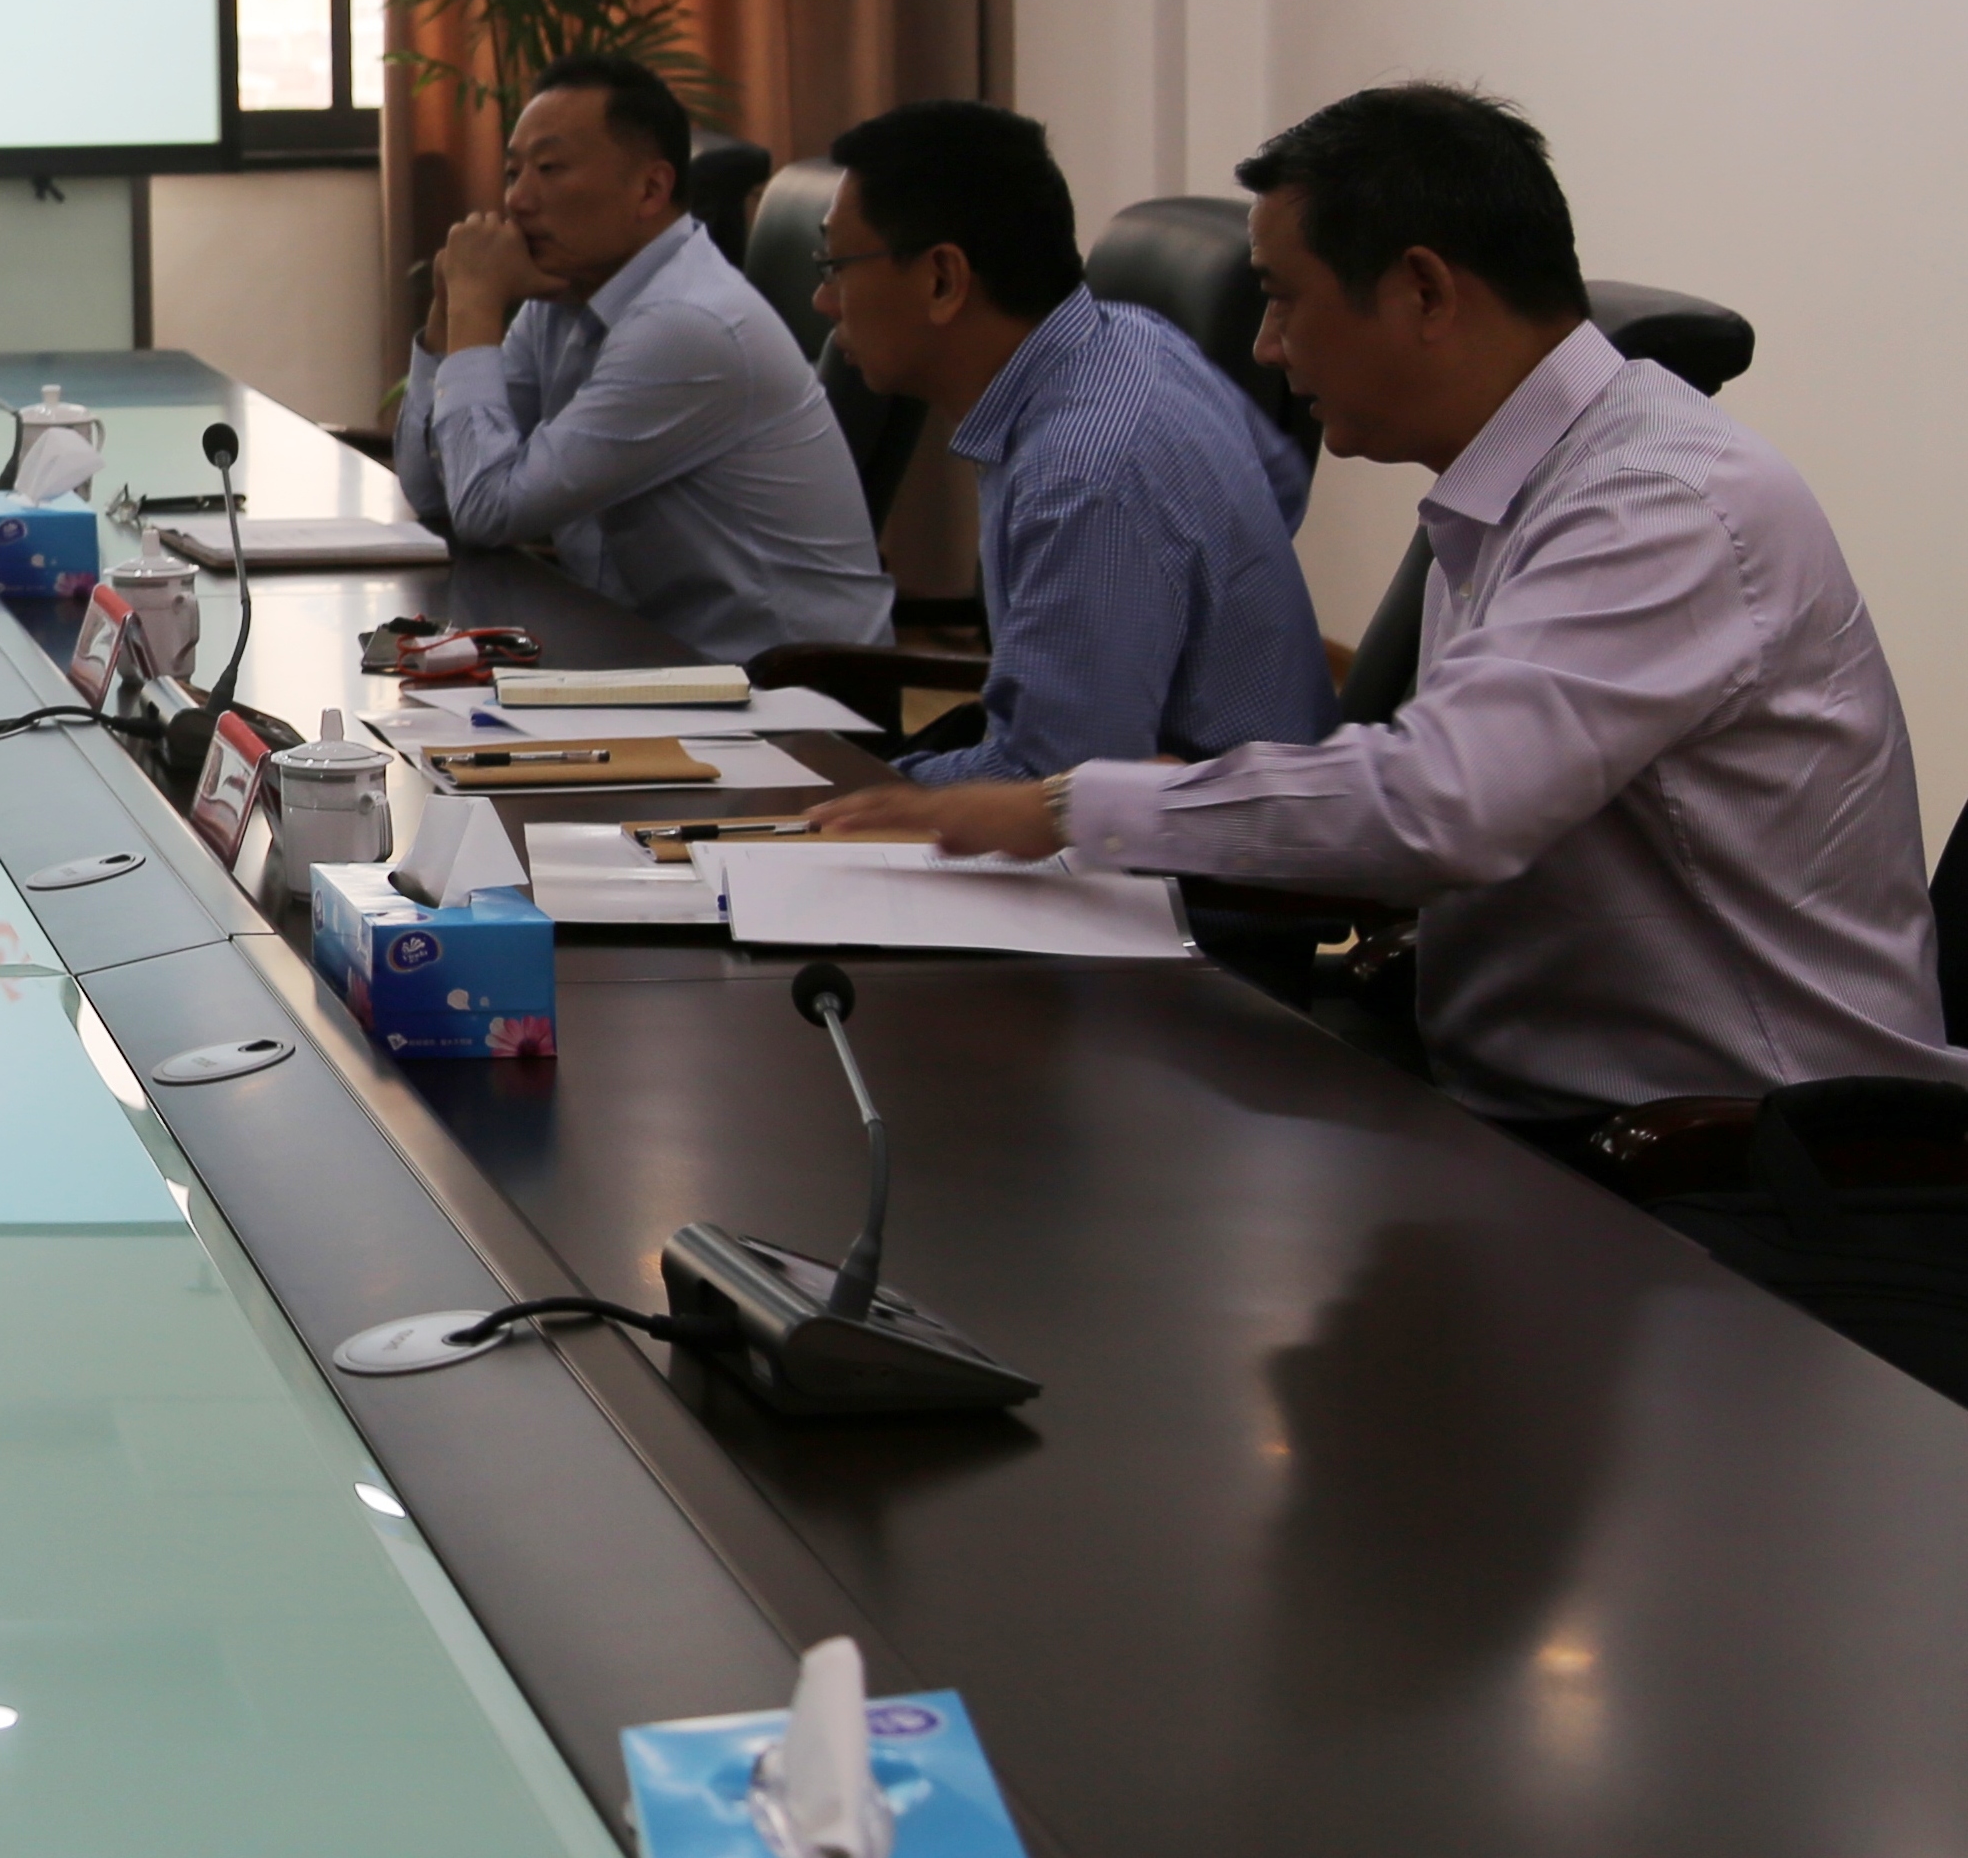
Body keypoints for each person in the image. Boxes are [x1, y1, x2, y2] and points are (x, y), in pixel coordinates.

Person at [816, 84, 1962, 1126]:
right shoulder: (1530, 479)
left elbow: (1439, 805)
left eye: (1282, 300)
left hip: (1739, 1169)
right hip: (1538, 1105)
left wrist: (1072, 805)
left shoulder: (1657, 506)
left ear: (1422, 290)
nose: (1265, 347)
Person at [812, 99, 1336, 782]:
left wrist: (848, 797)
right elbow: (1280, 488)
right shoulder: (1135, 337)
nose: (824, 301)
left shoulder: (1085, 474)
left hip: (1204, 845)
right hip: (1192, 807)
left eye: (836, 266)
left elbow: (1053, 786)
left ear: (942, 278)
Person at [394, 53, 892, 659]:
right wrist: (448, 312)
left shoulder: (687, 325)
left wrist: (476, 307)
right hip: (646, 655)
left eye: (549, 169)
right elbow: (436, 496)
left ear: (651, 189)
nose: (518, 200)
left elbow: (487, 510)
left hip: (786, 686)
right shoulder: (565, 293)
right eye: (512, 172)